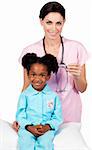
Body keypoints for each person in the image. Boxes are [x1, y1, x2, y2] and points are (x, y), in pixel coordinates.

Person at [0, 1, 90, 150]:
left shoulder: (76, 48)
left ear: (64, 22)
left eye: (58, 23)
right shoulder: (30, 50)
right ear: (41, 21)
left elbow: (82, 88)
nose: (53, 28)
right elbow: (26, 87)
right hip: (36, 118)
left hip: (68, 118)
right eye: (49, 22)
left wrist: (77, 76)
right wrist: (20, 118)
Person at [16, 53, 63, 150]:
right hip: (27, 129)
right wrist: (29, 127)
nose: (37, 79)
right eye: (33, 74)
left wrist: (47, 127)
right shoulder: (24, 95)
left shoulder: (53, 96)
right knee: (25, 143)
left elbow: (57, 117)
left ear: (48, 76)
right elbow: (20, 115)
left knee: (46, 144)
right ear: (28, 75)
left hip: (46, 129)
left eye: (42, 75)